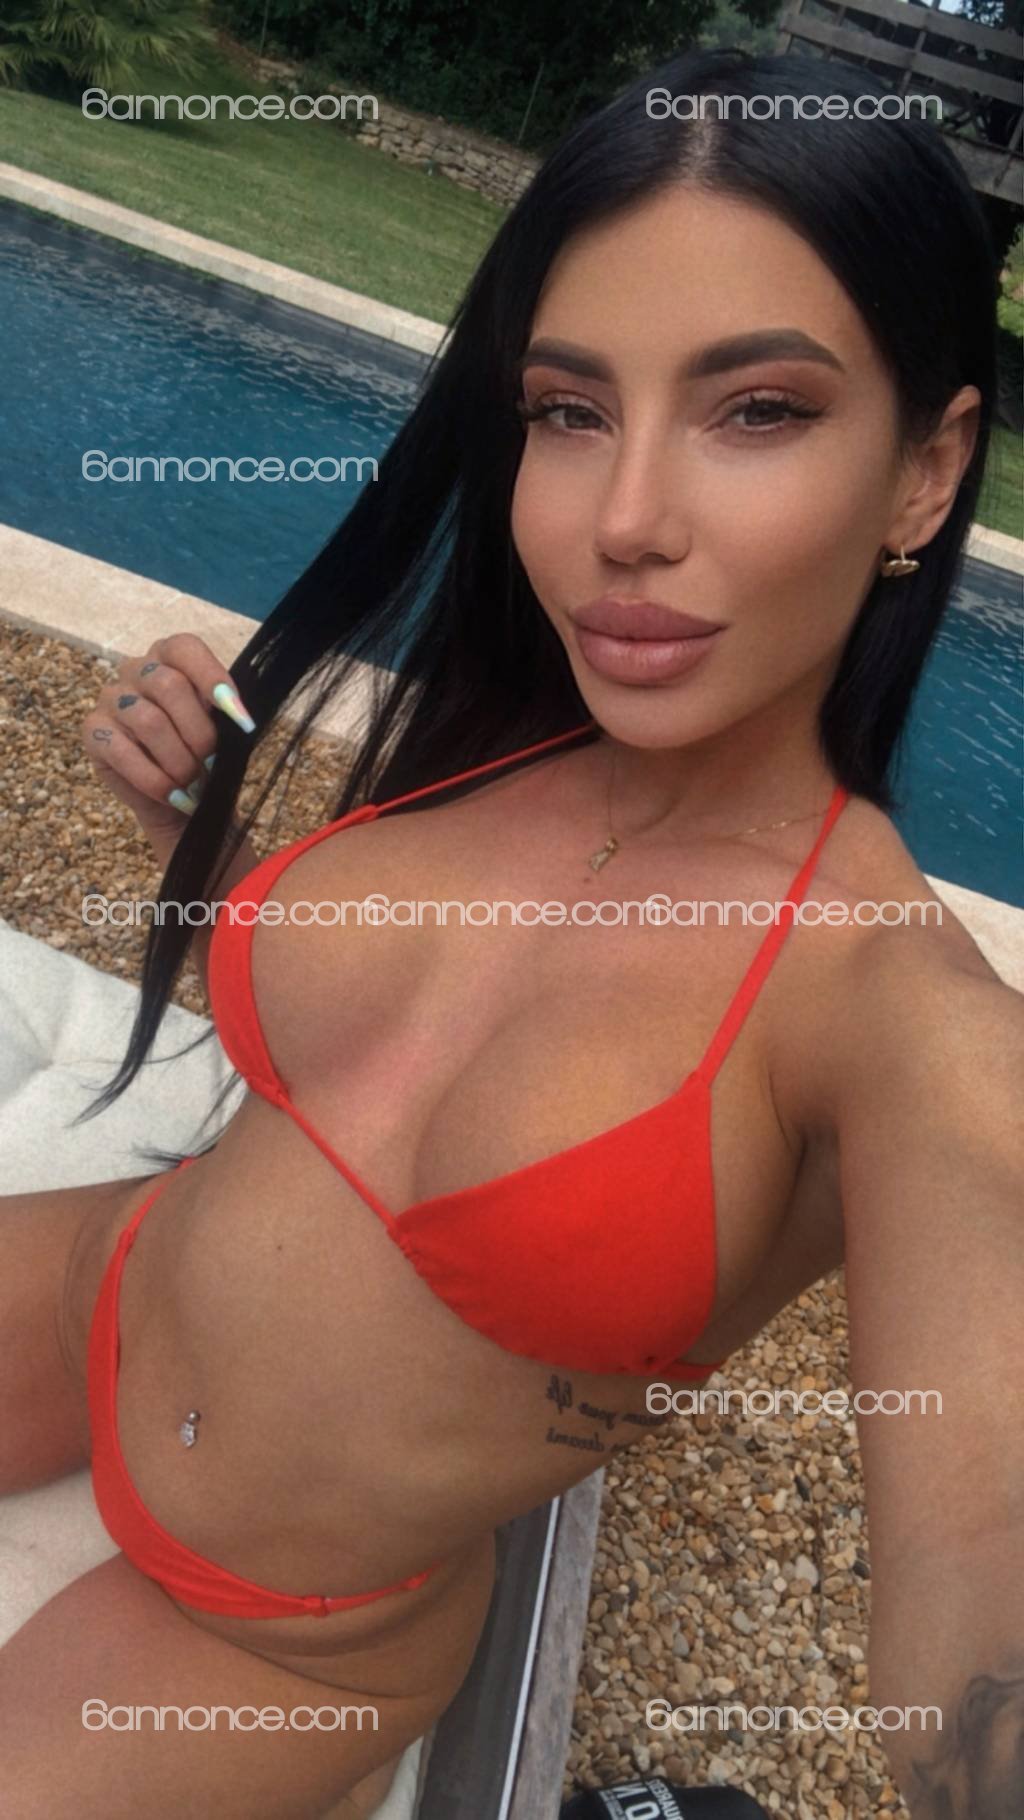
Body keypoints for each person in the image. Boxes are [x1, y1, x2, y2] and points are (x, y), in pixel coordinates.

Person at [1, 44, 1021, 1820]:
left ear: (927, 472)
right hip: (96, 1279)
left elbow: (984, 1594)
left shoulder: (901, 1020)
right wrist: (204, 838)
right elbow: (395, 1040)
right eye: (570, 409)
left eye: (757, 409)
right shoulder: (510, 737)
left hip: (277, 1628)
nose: (622, 523)